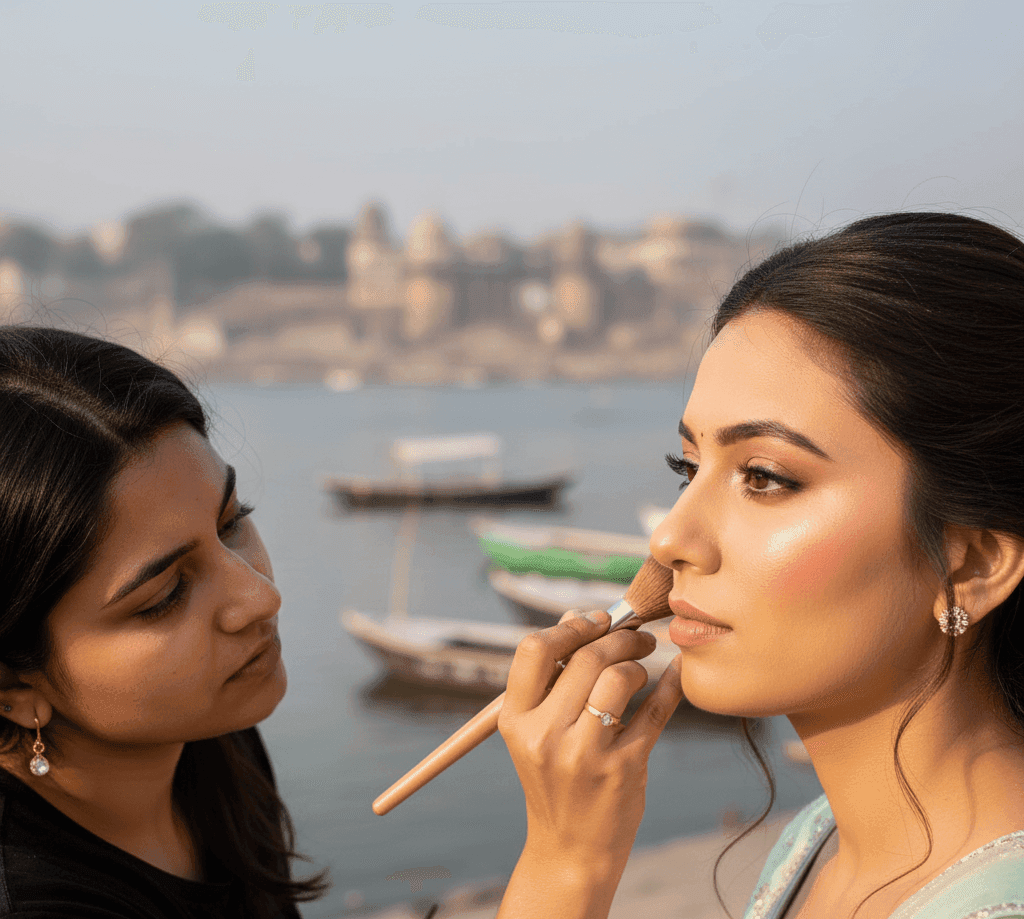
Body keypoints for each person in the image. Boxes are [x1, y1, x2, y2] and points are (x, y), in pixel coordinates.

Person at [494, 212, 1024, 919]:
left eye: (766, 476)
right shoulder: (815, 847)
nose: (670, 538)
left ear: (975, 563)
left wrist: (566, 869)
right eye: (688, 467)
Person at [0, 327, 329, 917]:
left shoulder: (210, 739)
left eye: (231, 522)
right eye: (164, 595)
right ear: (12, 686)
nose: (259, 598)